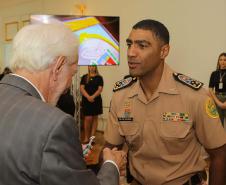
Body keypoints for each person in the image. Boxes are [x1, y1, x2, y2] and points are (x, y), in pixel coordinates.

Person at [0, 23, 127, 185]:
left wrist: (63, 152)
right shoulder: (55, 124)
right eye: (72, 73)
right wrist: (112, 165)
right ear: (58, 66)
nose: (68, 85)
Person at [104, 19, 226, 185]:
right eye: (129, 44)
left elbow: (220, 155)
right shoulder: (121, 96)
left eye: (142, 45)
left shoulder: (194, 96)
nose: (131, 53)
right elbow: (109, 151)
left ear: (164, 51)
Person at [80, 66, 104, 143]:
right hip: (86, 100)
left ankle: (92, 138)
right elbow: (82, 88)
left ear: (95, 67)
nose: (92, 68)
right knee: (88, 118)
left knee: (94, 118)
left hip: (96, 100)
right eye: (90, 66)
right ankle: (86, 137)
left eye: (93, 66)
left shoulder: (99, 78)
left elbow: (100, 89)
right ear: (88, 67)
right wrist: (88, 97)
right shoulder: (84, 77)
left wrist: (92, 97)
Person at [209, 52, 226, 127]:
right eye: (221, 60)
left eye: (225, 60)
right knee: (218, 124)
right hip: (216, 99)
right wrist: (218, 102)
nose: (222, 62)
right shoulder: (214, 73)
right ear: (218, 61)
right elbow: (210, 89)